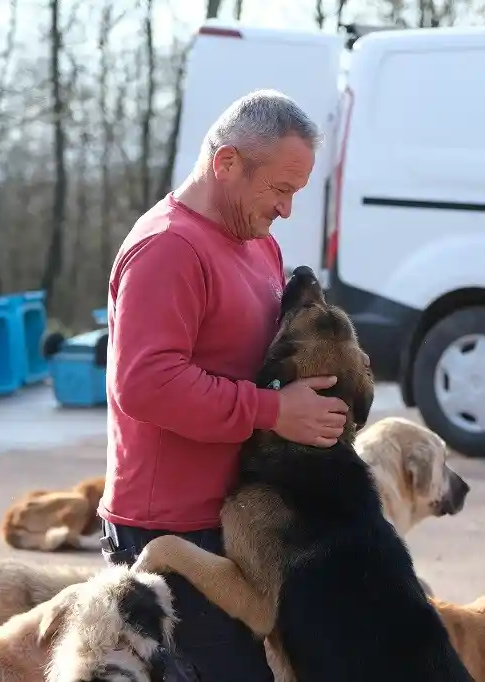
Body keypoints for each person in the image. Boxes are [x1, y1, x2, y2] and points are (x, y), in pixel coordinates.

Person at [98, 89, 350, 682]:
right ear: (227, 163)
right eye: (280, 189)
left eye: (296, 192)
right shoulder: (168, 248)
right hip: (168, 526)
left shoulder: (258, 241)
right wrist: (272, 411)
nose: (287, 209)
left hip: (236, 517)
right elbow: (147, 384)